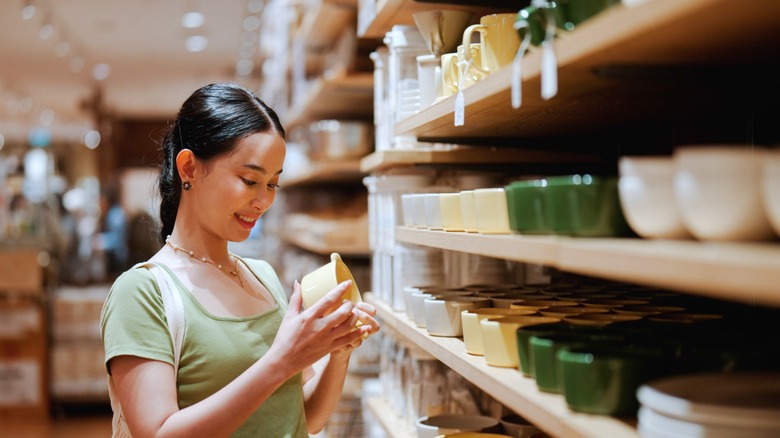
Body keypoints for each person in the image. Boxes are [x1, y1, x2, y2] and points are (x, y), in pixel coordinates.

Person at [100, 82, 380, 437]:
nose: (263, 201)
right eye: (250, 180)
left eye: (273, 184)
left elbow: (303, 417)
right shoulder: (142, 292)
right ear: (188, 168)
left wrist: (339, 351)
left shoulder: (262, 275)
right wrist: (281, 362)